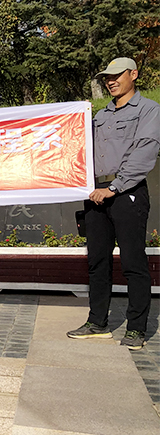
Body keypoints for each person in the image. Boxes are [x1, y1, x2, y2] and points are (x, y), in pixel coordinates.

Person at [67, 57, 160, 350]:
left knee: (133, 262)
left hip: (126, 192)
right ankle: (97, 323)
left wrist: (114, 187)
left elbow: (145, 152)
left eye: (117, 75)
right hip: (95, 194)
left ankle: (136, 329)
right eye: (107, 77)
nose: (111, 81)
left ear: (134, 74)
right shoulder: (98, 115)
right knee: (97, 261)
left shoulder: (149, 110)